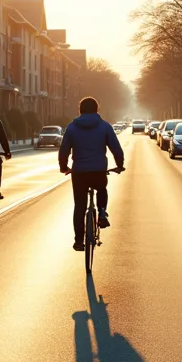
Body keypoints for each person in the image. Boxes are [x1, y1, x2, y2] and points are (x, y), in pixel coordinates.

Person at [59, 96, 125, 252]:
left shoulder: (72, 128)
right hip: (98, 170)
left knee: (79, 206)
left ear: (80, 110)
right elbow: (116, 148)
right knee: (101, 188)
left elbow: (64, 150)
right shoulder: (105, 127)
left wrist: (64, 167)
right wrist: (120, 165)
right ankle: (102, 212)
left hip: (79, 172)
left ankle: (78, 241)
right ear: (97, 109)